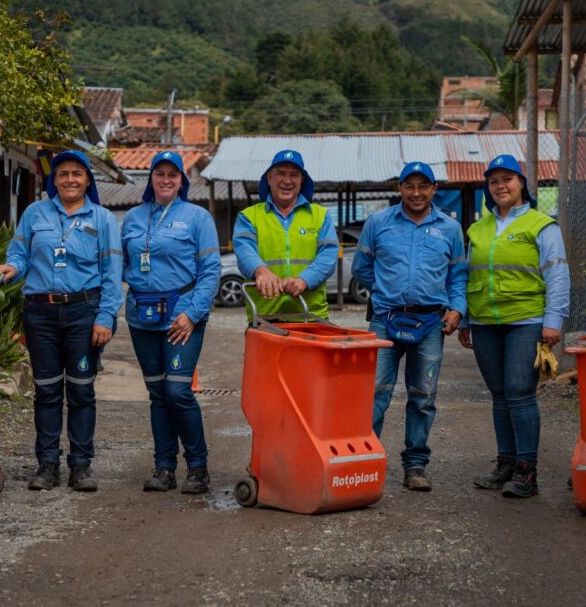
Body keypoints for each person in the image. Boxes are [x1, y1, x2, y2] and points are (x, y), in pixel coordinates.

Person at [0, 150, 123, 493]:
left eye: (77, 174)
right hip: (41, 314)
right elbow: (19, 254)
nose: (69, 179)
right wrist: (11, 268)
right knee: (47, 390)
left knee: (81, 391)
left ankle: (80, 467)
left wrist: (106, 316)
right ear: (54, 180)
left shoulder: (103, 219)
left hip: (84, 312)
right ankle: (47, 465)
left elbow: (112, 274)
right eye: (63, 174)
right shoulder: (35, 214)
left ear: (87, 181)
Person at [458, 154, 569, 499]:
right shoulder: (478, 228)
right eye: (493, 181)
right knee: (499, 395)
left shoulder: (541, 225)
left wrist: (554, 320)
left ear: (522, 183)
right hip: (486, 322)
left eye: (507, 179)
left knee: (520, 393)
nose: (500, 186)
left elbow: (558, 275)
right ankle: (505, 464)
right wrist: (465, 318)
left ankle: (526, 471)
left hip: (527, 320)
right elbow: (466, 275)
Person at [353, 161, 467, 492]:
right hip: (385, 320)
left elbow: (457, 275)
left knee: (423, 396)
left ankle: (415, 465)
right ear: (398, 188)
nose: (416, 193)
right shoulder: (379, 223)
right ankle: (363, 459)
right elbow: (362, 267)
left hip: (430, 323)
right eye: (409, 186)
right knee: (374, 393)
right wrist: (388, 292)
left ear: (434, 190)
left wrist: (457, 308)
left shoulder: (449, 229)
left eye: (423, 186)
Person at [121, 151, 221, 494]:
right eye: (159, 173)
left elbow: (210, 272)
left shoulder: (198, 218)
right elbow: (119, 267)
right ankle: (164, 468)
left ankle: (198, 467)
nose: (166, 179)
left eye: (172, 175)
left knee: (178, 391)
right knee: (157, 394)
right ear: (151, 178)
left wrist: (191, 314)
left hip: (182, 316)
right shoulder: (133, 218)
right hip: (141, 316)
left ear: (182, 180)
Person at [232, 149, 338, 320]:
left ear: (302, 180)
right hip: (265, 316)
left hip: (311, 315)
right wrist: (261, 271)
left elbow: (328, 255)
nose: (287, 181)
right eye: (280, 173)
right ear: (269, 178)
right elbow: (244, 250)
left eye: (294, 175)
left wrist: (305, 279)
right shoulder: (249, 216)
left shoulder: (320, 215)